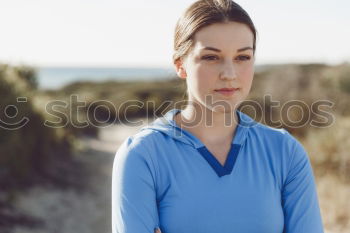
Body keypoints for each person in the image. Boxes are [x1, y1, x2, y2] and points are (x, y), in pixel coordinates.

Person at [111, 0, 324, 232]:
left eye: (242, 57)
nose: (229, 74)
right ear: (180, 64)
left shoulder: (285, 152)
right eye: (211, 57)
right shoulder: (143, 155)